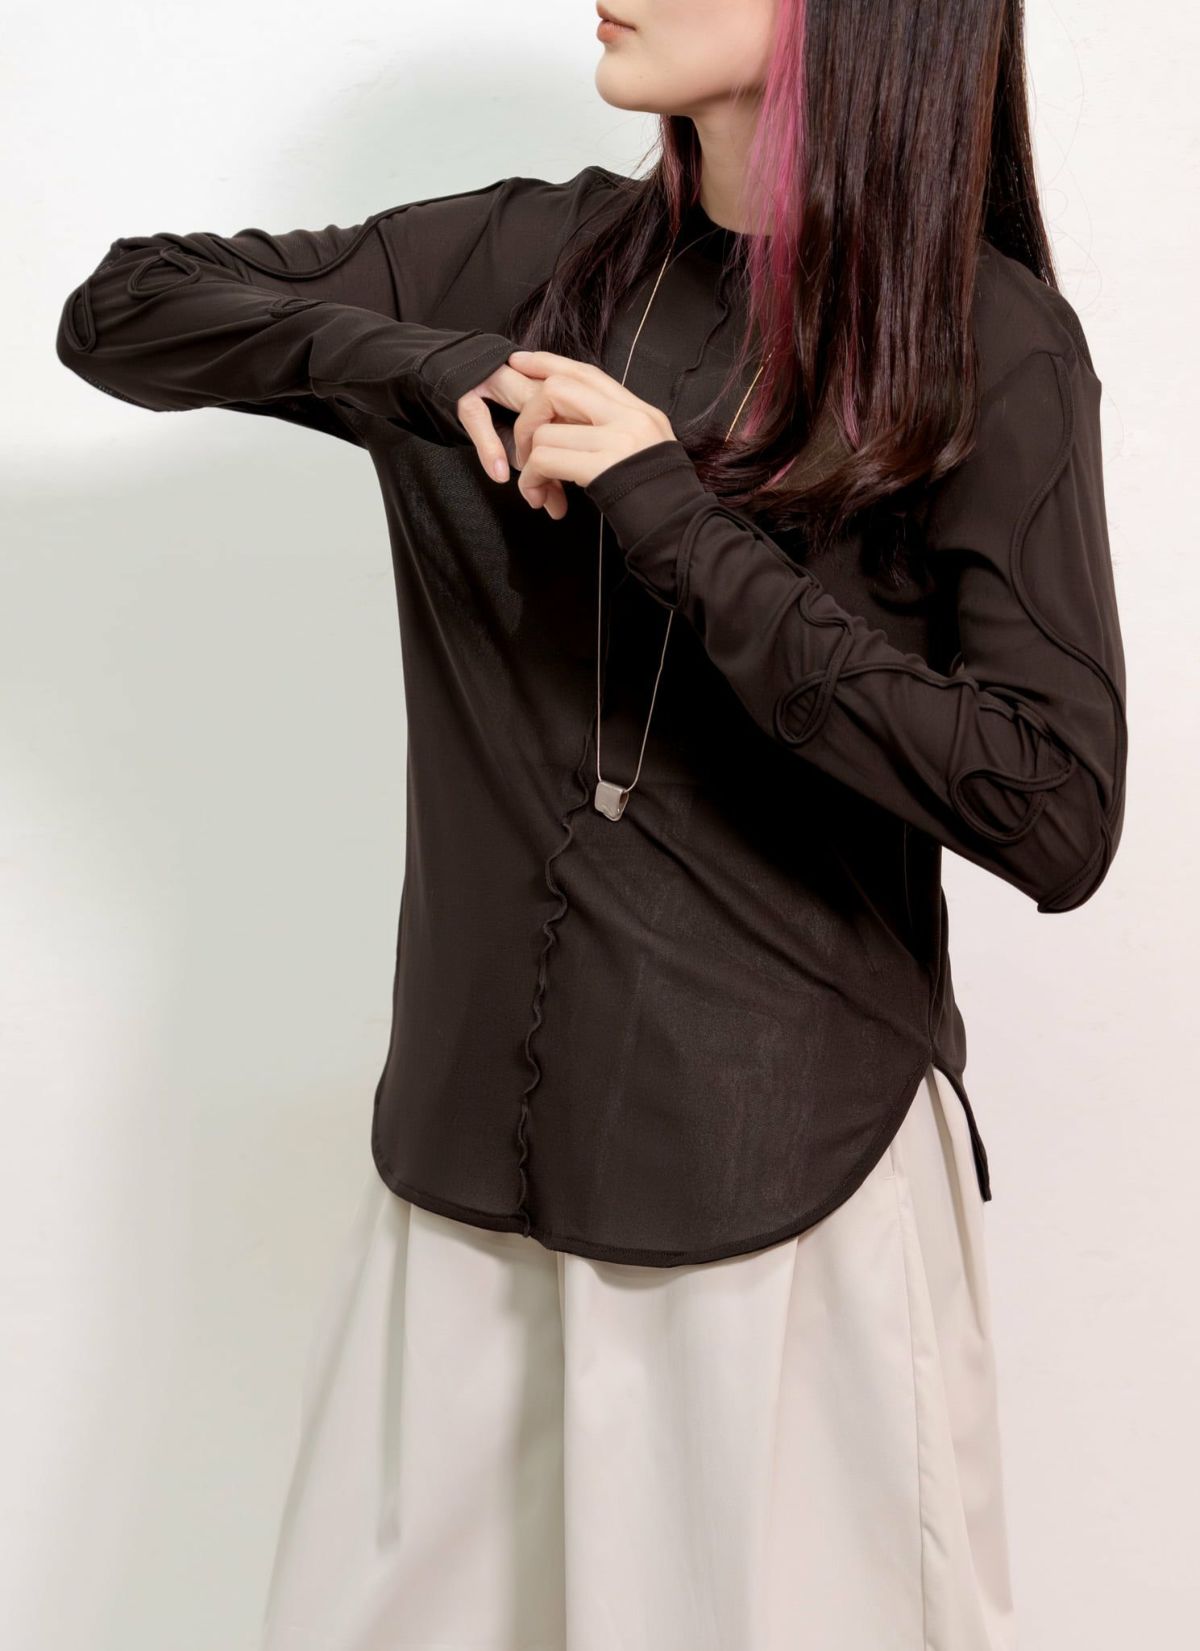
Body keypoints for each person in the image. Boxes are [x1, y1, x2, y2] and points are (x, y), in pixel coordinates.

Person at [55, 2, 1127, 1647]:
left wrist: (671, 514)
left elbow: (1056, 812)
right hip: (462, 1196)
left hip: (778, 1205)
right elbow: (123, 308)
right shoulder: (515, 262)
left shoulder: (982, 342)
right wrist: (424, 368)